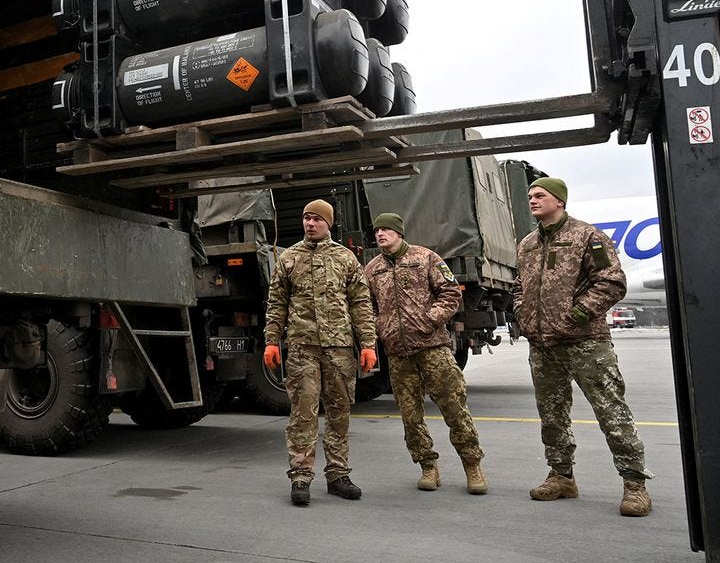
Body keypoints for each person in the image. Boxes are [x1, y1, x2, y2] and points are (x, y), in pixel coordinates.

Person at [514, 176, 652, 517]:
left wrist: (574, 315)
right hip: (543, 345)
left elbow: (612, 282)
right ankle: (561, 476)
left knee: (611, 412)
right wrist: (522, 313)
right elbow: (520, 286)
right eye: (530, 195)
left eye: (540, 195)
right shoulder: (528, 243)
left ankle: (635, 485)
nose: (532, 200)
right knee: (552, 415)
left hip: (585, 342)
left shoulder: (586, 236)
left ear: (559, 200)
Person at [263, 198, 377, 506]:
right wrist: (271, 340)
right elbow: (276, 305)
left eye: (316, 219)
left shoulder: (345, 259)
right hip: (302, 347)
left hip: (339, 348)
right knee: (303, 412)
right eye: (306, 218)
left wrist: (368, 344)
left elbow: (361, 304)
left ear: (328, 223)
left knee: (339, 412)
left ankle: (338, 475)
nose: (310, 223)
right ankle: (300, 476)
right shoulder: (288, 258)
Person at [363, 212, 488, 494]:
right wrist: (380, 327)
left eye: (386, 230)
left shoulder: (425, 258)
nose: (380, 234)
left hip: (433, 349)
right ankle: (428, 467)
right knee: (410, 415)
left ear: (399, 233)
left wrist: (430, 318)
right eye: (377, 231)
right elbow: (365, 306)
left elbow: (451, 292)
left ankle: (472, 465)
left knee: (454, 406)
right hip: (398, 353)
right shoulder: (372, 269)